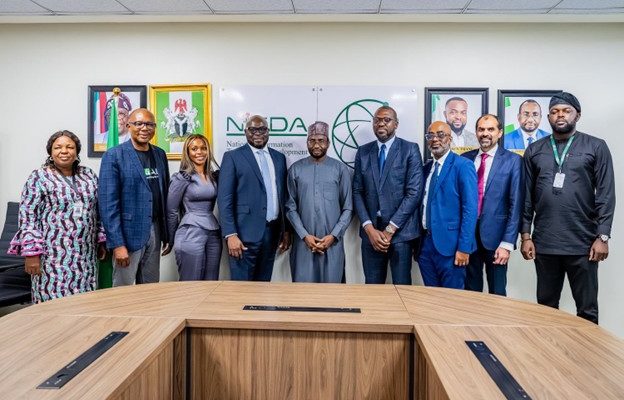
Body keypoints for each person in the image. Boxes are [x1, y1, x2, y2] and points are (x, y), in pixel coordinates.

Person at [521, 92, 615, 324]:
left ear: (577, 115)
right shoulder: (535, 150)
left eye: (566, 111)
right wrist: (526, 236)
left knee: (587, 310)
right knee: (546, 310)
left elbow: (606, 194)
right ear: (548, 117)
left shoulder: (596, 146)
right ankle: (548, 349)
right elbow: (526, 197)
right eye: (554, 112)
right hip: (545, 244)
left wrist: (602, 236)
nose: (560, 115)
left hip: (583, 244)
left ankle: (587, 349)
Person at [8, 131, 106, 303]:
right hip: (52, 256)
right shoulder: (39, 177)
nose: (64, 151)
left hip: (85, 255)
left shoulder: (88, 175)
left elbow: (98, 210)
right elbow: (28, 216)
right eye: (58, 147)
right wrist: (31, 254)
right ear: (50, 152)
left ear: (77, 151)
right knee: (53, 303)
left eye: (70, 147)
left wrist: (101, 240)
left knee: (84, 301)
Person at [99, 108, 170, 286]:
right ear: (128, 126)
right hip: (127, 234)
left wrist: (167, 234)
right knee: (123, 291)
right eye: (138, 124)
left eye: (149, 124)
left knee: (150, 288)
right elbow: (108, 205)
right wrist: (117, 244)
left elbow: (164, 195)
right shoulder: (114, 155)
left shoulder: (160, 154)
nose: (144, 128)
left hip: (155, 230)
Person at [353, 105, 423, 285]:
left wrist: (390, 229)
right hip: (371, 234)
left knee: (402, 288)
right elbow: (357, 192)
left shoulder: (410, 149)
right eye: (377, 120)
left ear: (396, 124)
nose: (381, 124)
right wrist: (369, 228)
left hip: (401, 233)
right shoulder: (363, 152)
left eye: (386, 120)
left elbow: (414, 193)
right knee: (373, 288)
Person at [218, 115, 291, 281]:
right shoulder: (233, 157)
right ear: (245, 132)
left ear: (268, 131)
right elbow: (225, 199)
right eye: (252, 129)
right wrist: (230, 234)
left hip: (272, 233)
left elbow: (283, 197)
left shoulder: (279, 158)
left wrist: (285, 230)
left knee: (263, 285)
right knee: (242, 288)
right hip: (242, 235)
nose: (257, 133)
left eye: (262, 129)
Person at [461, 114, 523, 296]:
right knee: (470, 293)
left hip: (497, 239)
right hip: (469, 237)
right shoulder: (465, 159)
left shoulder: (513, 161)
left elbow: (516, 205)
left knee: (497, 293)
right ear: (476, 132)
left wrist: (507, 243)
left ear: (500, 132)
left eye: (490, 129)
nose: (485, 133)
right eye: (481, 129)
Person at [286, 121, 353, 283]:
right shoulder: (295, 169)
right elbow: (290, 207)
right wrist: (304, 235)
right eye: (312, 140)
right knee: (303, 291)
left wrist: (333, 235)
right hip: (303, 244)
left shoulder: (340, 169)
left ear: (328, 143)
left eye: (321, 140)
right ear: (307, 142)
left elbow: (348, 208)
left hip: (332, 243)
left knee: (331, 291)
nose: (316, 145)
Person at [418, 121, 477, 289]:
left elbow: (470, 209)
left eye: (440, 135)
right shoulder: (426, 168)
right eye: (430, 136)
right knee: (431, 298)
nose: (435, 139)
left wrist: (464, 248)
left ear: (450, 139)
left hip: (452, 247)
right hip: (425, 246)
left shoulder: (463, 166)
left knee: (452, 300)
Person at [165, 134, 221, 281]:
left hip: (214, 233)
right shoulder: (181, 178)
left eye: (203, 148)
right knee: (191, 284)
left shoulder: (213, 176)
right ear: (187, 152)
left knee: (211, 283)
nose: (199, 152)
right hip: (190, 232)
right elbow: (171, 211)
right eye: (194, 149)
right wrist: (170, 239)